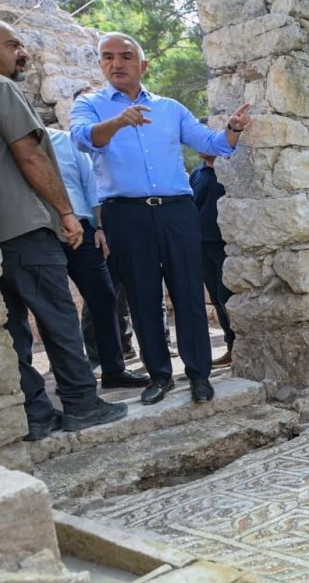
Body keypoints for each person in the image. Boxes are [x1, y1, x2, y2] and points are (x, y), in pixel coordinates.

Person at [0, 18, 128, 440]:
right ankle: (81, 404)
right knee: (58, 318)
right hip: (26, 226)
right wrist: (65, 213)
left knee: (12, 330)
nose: (21, 53)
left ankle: (35, 413)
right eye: (13, 44)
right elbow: (31, 155)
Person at [71, 32, 251, 405]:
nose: (116, 63)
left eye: (125, 56)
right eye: (107, 57)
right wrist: (119, 121)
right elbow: (84, 139)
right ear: (101, 64)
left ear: (143, 65)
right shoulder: (90, 105)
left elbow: (213, 144)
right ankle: (160, 376)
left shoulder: (170, 108)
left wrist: (232, 129)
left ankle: (200, 375)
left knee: (187, 292)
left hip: (175, 210)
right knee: (142, 296)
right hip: (126, 213)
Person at [48, 124, 148, 389]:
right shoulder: (14, 145)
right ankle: (71, 377)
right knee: (55, 306)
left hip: (83, 230)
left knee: (104, 296)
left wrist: (100, 226)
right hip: (42, 234)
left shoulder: (66, 141)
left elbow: (89, 185)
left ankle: (114, 370)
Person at [190, 152, 235, 366]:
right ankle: (231, 348)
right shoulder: (196, 174)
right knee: (216, 298)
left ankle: (239, 346)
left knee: (227, 296)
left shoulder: (228, 169)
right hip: (201, 245)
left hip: (224, 243)